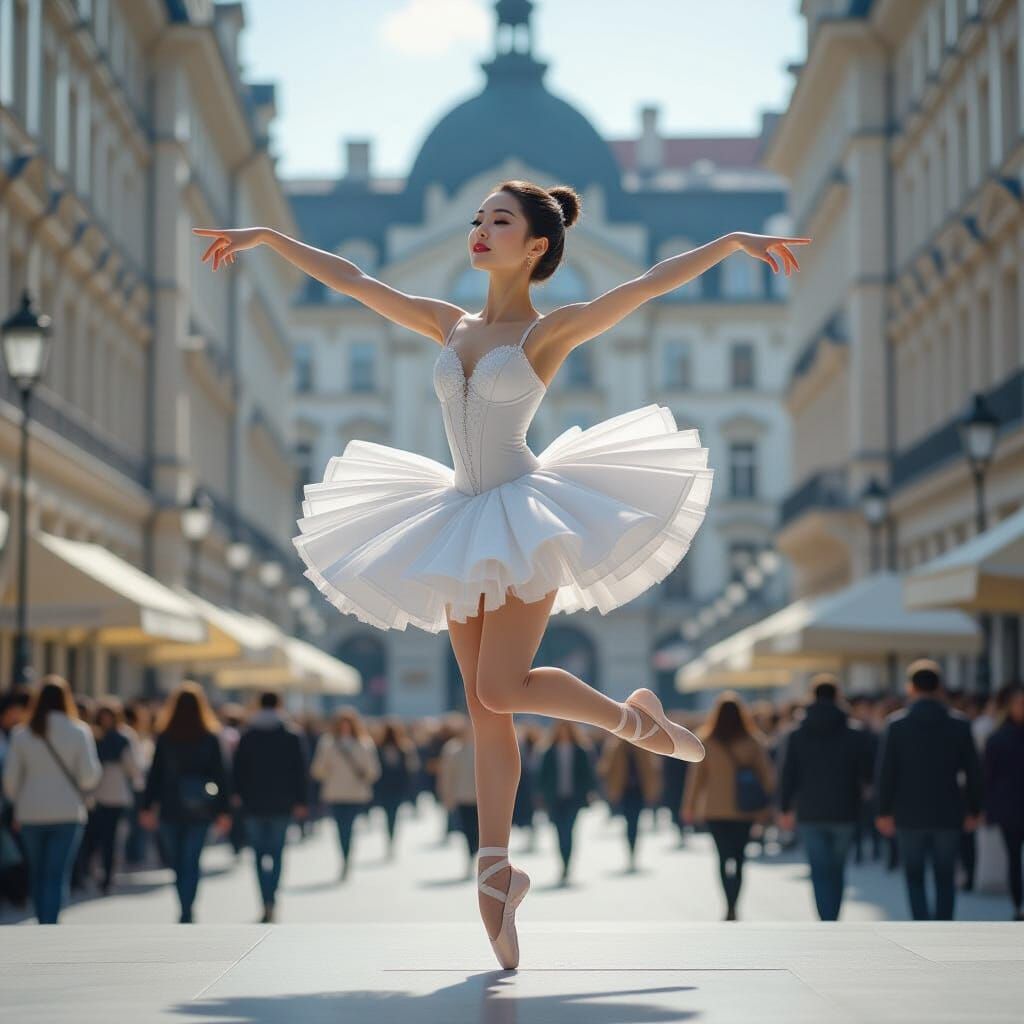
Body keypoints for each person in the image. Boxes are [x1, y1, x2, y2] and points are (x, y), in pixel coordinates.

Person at [195, 185, 808, 969]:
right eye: (478, 219)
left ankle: (638, 724)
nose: (481, 231)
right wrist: (268, 237)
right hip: (453, 515)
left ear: (537, 248)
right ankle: (496, 871)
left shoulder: (549, 332)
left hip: (523, 515)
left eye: (500, 222)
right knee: (485, 707)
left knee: (502, 688)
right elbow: (351, 278)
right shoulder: (449, 324)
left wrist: (728, 242)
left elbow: (645, 285)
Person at [875, 659, 983, 921]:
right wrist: (974, 809)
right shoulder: (960, 724)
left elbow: (886, 773)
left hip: (908, 811)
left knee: (914, 874)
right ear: (939, 688)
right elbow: (973, 771)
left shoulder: (897, 725)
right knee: (945, 874)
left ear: (911, 687)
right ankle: (944, 924)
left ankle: (920, 924)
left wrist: (883, 811)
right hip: (948, 809)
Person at [1, 675, 101, 923]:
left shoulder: (22, 734)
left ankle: (40, 920)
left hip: (31, 812)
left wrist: (18, 801)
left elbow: (10, 780)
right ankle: (51, 924)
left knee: (37, 871)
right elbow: (89, 776)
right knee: (57, 873)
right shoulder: (79, 731)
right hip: (68, 811)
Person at [778, 675, 873, 920]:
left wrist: (785, 807)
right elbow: (867, 773)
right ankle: (834, 916)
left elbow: (788, 774)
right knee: (837, 868)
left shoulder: (797, 734)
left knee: (819, 869)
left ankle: (825, 918)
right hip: (845, 809)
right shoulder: (854, 733)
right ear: (837, 696)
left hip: (810, 810)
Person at [140, 681, 232, 923]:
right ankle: (187, 907)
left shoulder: (165, 736)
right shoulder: (209, 737)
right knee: (192, 860)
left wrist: (147, 806)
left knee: (177, 861)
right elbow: (221, 775)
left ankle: (184, 903)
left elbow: (155, 774)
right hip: (200, 808)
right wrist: (224, 811)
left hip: (170, 808)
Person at [682, 691, 776, 921]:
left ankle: (728, 903)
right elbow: (768, 778)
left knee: (723, 857)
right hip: (745, 810)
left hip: (715, 810)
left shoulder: (705, 741)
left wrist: (689, 807)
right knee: (740, 856)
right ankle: (736, 902)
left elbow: (696, 779)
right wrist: (766, 807)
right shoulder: (753, 741)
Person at [231, 691, 309, 923]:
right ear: (279, 705)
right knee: (277, 852)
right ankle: (272, 898)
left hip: (253, 802)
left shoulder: (248, 735)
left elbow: (237, 770)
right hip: (282, 803)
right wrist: (302, 801)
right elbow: (300, 772)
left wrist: (237, 796)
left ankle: (263, 898)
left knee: (257, 854)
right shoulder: (291, 735)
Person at [77, 697, 144, 894]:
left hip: (114, 795)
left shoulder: (121, 737)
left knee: (110, 839)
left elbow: (132, 767)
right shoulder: (92, 736)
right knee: (94, 838)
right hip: (95, 795)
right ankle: (91, 873)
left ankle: (107, 875)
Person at [310, 706, 381, 882]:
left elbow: (373, 771)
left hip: (354, 793)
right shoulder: (327, 743)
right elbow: (317, 769)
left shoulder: (364, 743)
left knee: (348, 826)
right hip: (335, 792)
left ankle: (347, 856)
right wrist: (328, 771)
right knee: (339, 828)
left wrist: (363, 774)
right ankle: (344, 856)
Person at [983, 683, 1024, 920]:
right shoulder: (997, 738)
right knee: (1014, 858)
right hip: (1010, 808)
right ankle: (1018, 905)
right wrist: (987, 808)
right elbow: (988, 777)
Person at [537, 721, 596, 884]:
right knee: (559, 832)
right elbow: (542, 776)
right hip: (554, 799)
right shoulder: (548, 751)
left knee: (569, 831)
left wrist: (589, 793)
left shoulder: (580, 751)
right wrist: (541, 796)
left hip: (573, 800)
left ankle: (567, 865)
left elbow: (588, 775)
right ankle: (562, 863)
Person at [597, 729, 661, 874]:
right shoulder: (615, 747)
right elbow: (606, 769)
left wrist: (652, 790)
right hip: (624, 791)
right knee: (629, 822)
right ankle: (630, 849)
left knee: (635, 822)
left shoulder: (643, 747)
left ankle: (633, 850)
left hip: (638, 791)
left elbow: (651, 769)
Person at [373, 718, 421, 860]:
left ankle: (391, 839)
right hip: (389, 788)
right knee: (390, 814)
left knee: (392, 814)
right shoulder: (382, 748)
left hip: (395, 788)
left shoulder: (403, 748)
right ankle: (390, 838)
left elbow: (411, 768)